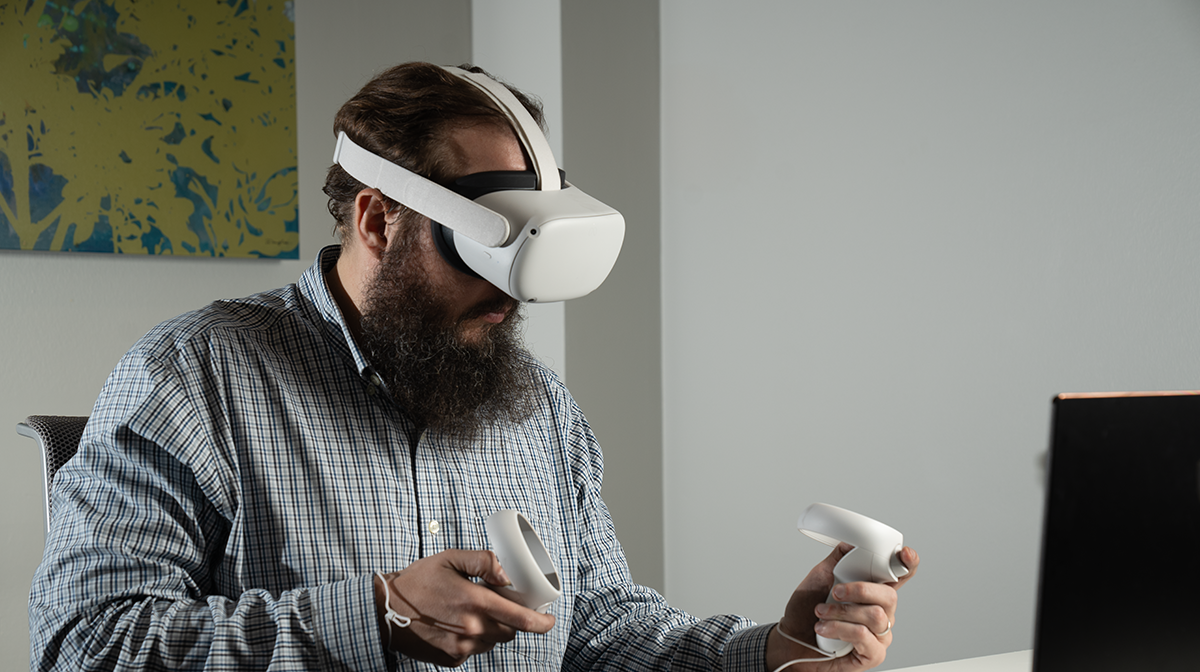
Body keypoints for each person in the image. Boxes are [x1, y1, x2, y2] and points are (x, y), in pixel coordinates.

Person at [29, 62, 918, 672]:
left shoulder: (534, 404)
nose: (511, 302)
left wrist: (767, 651)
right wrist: (373, 618)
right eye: (481, 256)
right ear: (377, 221)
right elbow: (85, 648)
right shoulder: (195, 377)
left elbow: (596, 630)